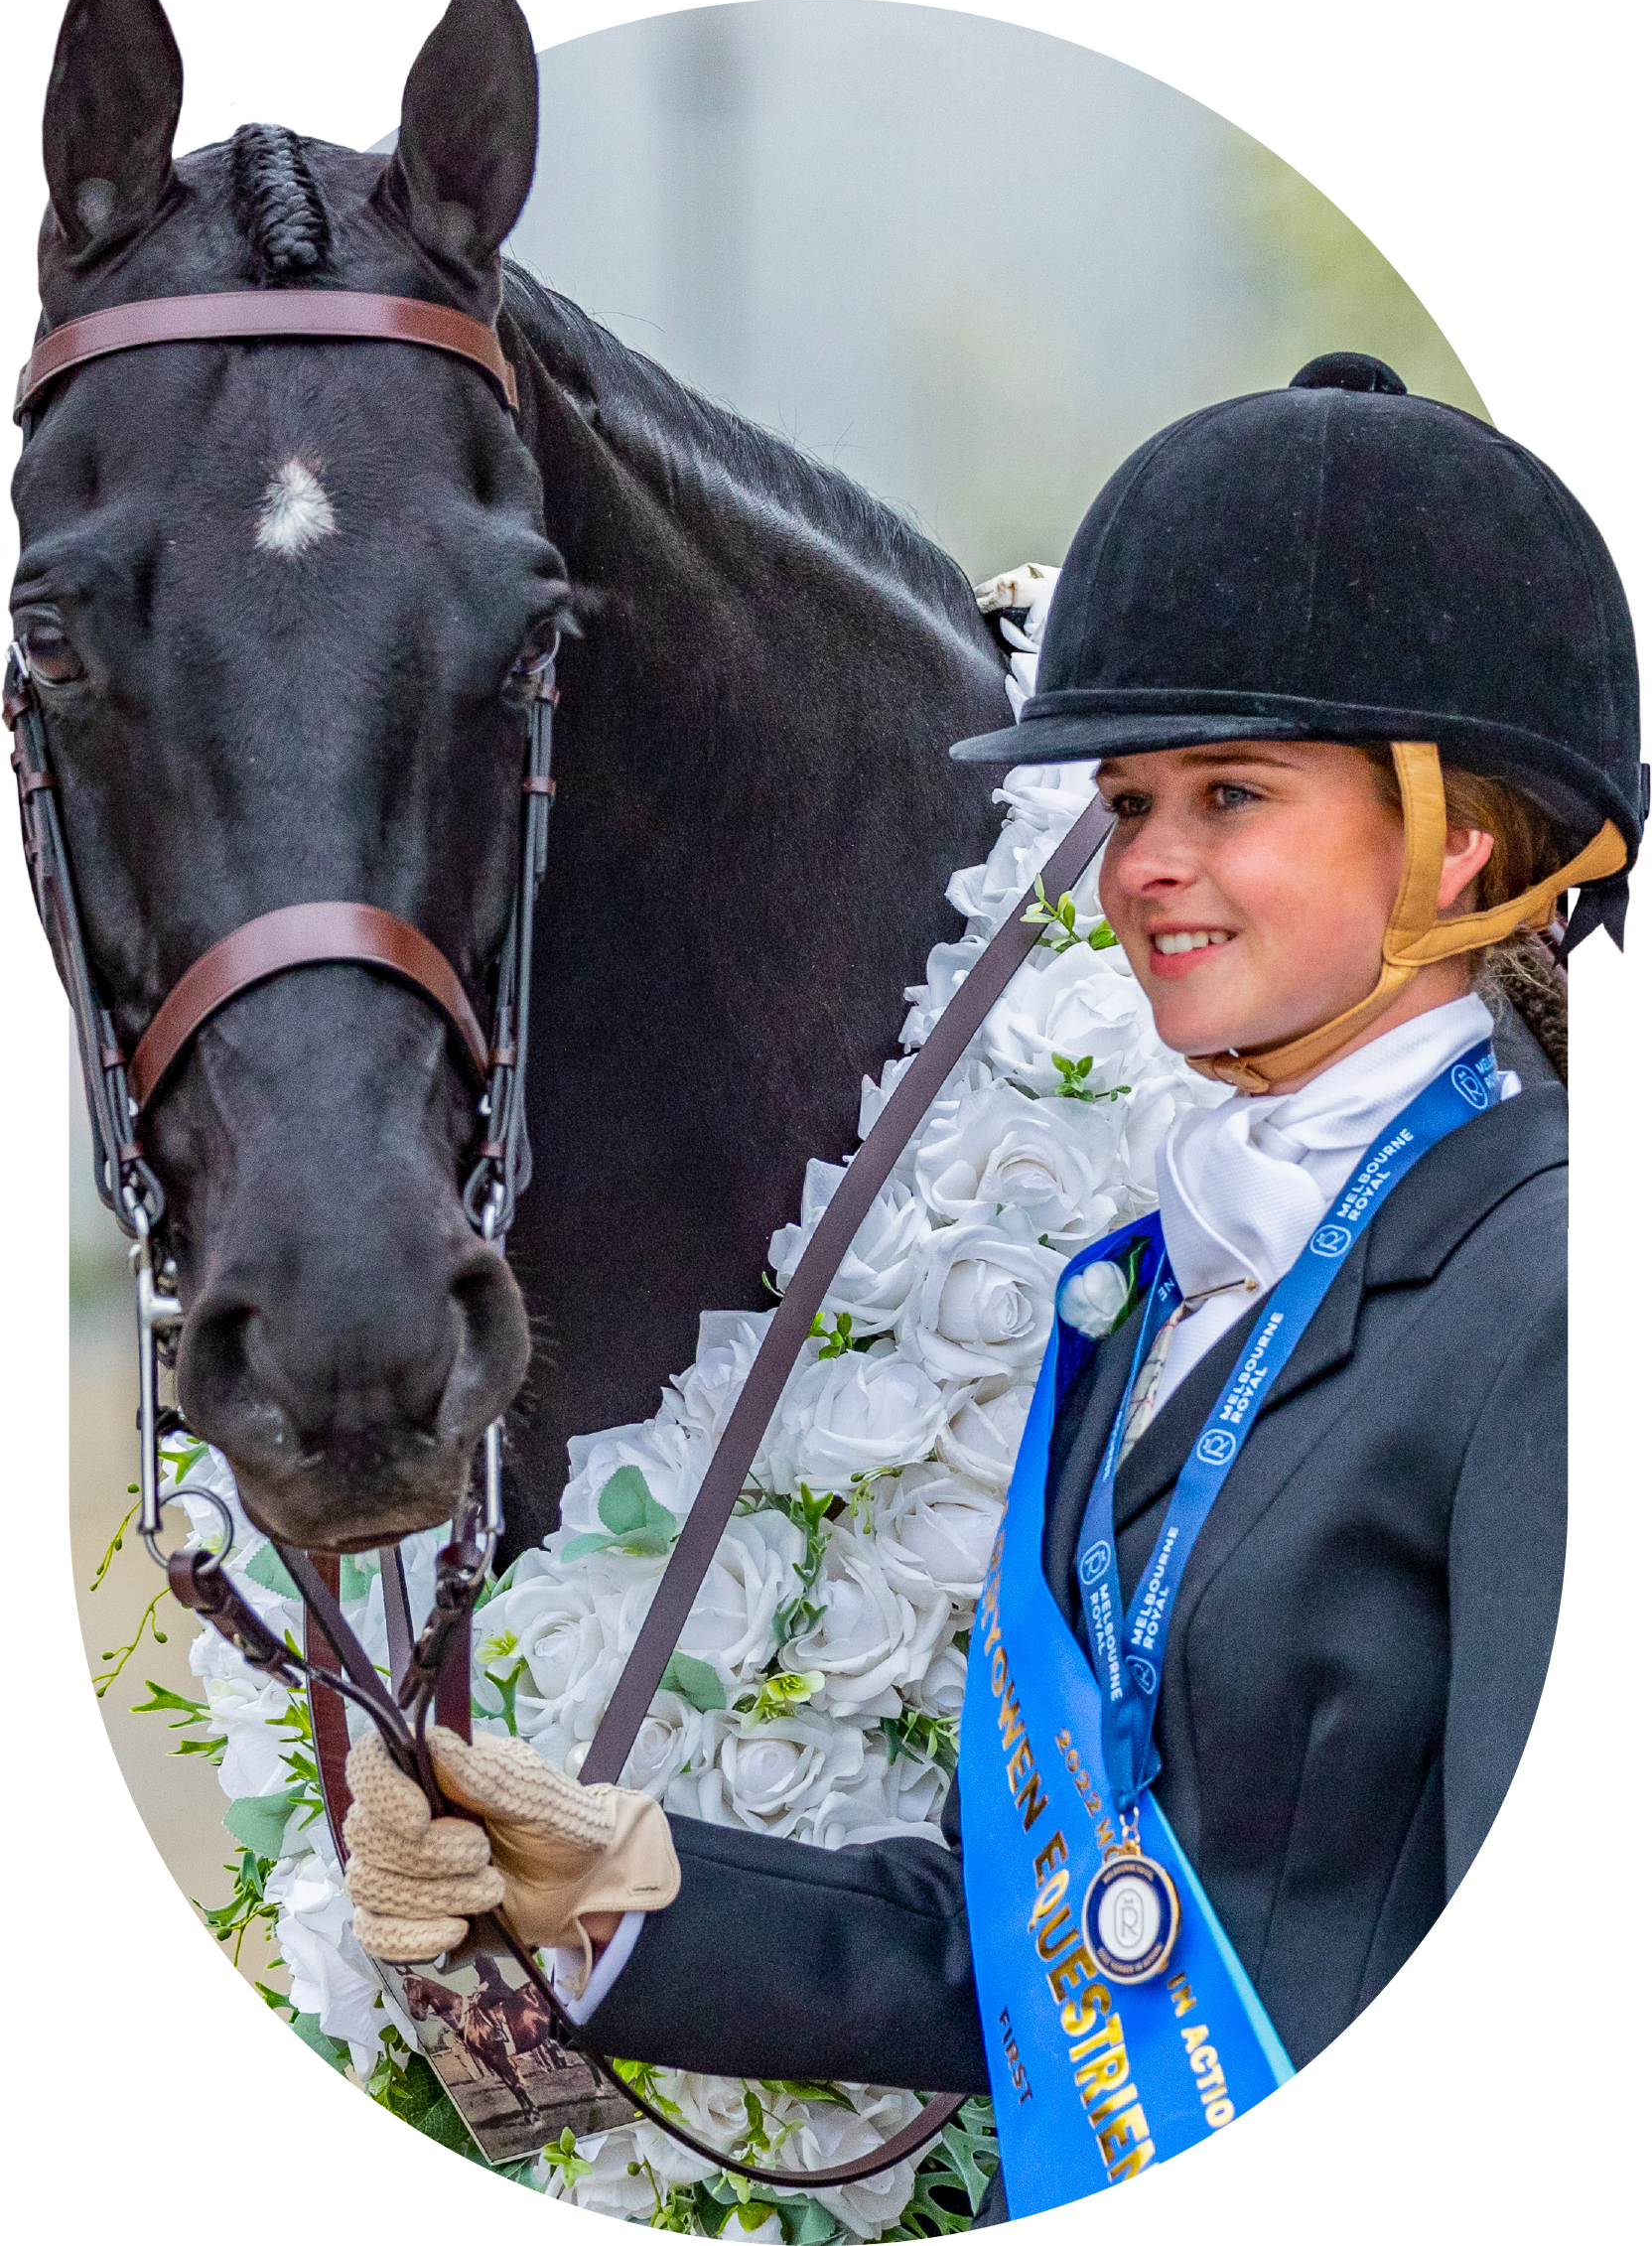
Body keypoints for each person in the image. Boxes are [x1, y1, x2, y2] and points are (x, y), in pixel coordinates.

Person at [343, 352, 1640, 2216]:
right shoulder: (1139, 1300)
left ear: (1459, 842)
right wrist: (617, 1881)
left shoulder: (1547, 1307)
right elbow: (1032, 1950)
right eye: (1124, 803)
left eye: (1231, 792)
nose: (1151, 870)